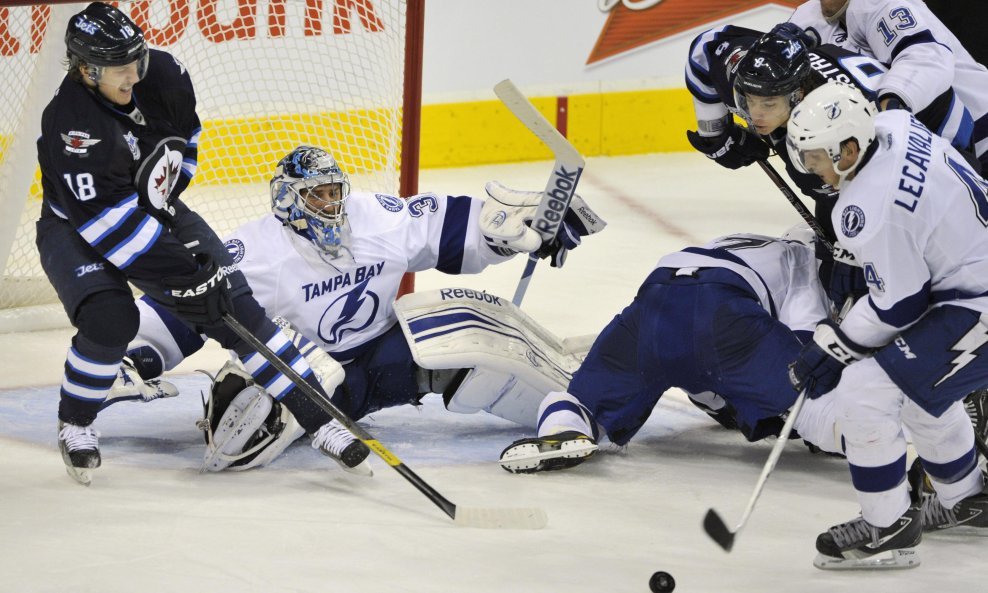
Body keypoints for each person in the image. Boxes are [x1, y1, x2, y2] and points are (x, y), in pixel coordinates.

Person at [124, 145, 606, 472]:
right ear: (289, 200)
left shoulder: (377, 219)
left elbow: (448, 227)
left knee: (464, 323)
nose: (332, 205)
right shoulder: (257, 252)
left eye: (336, 192)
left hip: (387, 363)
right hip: (316, 386)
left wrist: (503, 234)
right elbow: (189, 307)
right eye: (318, 195)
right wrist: (141, 354)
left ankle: (582, 400)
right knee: (236, 439)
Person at [37, 3, 360, 485]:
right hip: (79, 228)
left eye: (136, 61)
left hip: (153, 206)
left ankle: (321, 420)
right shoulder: (73, 126)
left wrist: (172, 208)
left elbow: (183, 142)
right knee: (111, 318)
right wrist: (187, 276)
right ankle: (76, 422)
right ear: (86, 70)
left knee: (236, 308)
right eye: (118, 69)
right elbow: (111, 226)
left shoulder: (161, 74)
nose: (133, 75)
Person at [786, 81, 988, 570]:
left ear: (849, 150)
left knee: (865, 388)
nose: (809, 168)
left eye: (816, 157)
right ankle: (968, 496)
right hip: (970, 286)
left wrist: (834, 347)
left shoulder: (868, 209)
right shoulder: (891, 126)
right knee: (916, 385)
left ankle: (888, 527)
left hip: (977, 303)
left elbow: (899, 306)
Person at [498, 229, 845, 473]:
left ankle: (561, 430)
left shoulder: (758, 243)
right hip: (720, 310)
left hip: (657, 297)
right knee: (820, 407)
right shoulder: (806, 262)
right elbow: (810, 352)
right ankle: (882, 459)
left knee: (583, 401)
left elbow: (699, 351)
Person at [686, 24, 976, 311]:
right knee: (837, 273)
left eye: (768, 104)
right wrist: (716, 133)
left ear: (797, 95)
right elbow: (706, 46)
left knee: (891, 274)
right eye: (748, 101)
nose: (756, 114)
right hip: (887, 140)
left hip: (947, 142)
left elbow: (873, 206)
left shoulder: (837, 129)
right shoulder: (754, 71)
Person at [787, 0, 988, 170]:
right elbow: (773, 78)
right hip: (922, 150)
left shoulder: (884, 4)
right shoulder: (807, 17)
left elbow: (926, 58)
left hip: (980, 137)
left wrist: (886, 113)